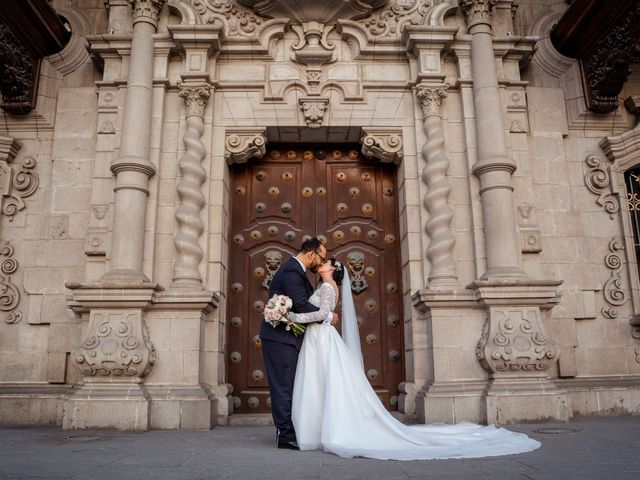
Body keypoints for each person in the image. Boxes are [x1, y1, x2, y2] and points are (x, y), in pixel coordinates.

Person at [288, 259, 542, 460]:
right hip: (318, 339)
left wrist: (292, 318)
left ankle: (327, 430)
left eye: (326, 262)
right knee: (321, 382)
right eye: (321, 261)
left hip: (321, 338)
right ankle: (321, 428)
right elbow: (325, 314)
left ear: (333, 269)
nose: (321, 263)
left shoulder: (326, 287)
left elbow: (323, 314)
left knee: (323, 382)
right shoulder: (324, 287)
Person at [260, 238, 338, 450]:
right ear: (312, 253)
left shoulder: (297, 272)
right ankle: (285, 434)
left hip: (287, 337)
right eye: (321, 257)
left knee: (288, 384)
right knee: (283, 385)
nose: (320, 262)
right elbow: (302, 306)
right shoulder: (293, 272)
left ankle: (288, 429)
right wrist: (328, 316)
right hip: (280, 338)